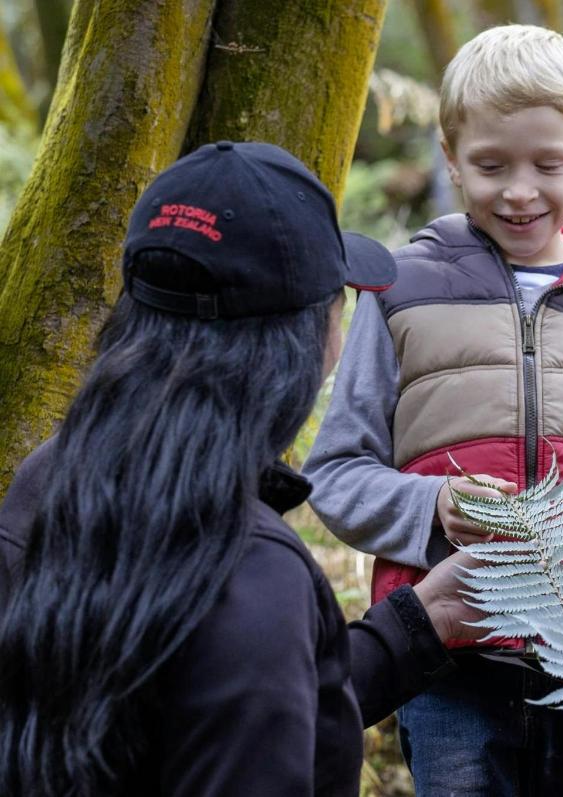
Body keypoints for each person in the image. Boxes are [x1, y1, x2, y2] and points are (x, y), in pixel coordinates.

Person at [0, 141, 485, 797]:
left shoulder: (47, 483)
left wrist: (416, 627)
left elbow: (193, 700)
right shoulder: (255, 573)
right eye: (337, 307)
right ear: (301, 344)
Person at [302, 23, 563, 796]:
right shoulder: (401, 292)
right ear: (450, 158)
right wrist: (435, 505)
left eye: (548, 164)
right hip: (450, 664)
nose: (520, 191)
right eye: (490, 166)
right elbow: (337, 472)